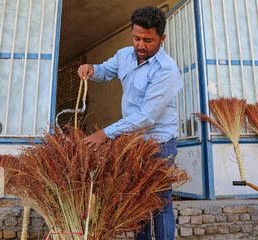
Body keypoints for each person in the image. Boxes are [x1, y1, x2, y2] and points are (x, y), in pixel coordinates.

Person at [77, 6, 182, 240]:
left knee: (160, 201)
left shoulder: (167, 71)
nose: (140, 46)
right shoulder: (124, 55)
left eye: (148, 40)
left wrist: (106, 133)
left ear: (162, 38)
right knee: (136, 200)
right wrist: (92, 69)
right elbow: (106, 70)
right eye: (136, 38)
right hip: (133, 141)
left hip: (159, 142)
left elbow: (146, 117)